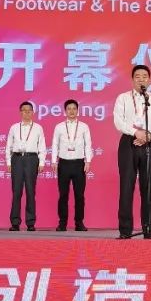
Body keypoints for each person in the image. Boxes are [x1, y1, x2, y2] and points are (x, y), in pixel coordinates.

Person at [113, 64, 151, 239]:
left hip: (150, 142)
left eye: (144, 76)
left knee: (148, 187)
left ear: (149, 79)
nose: (141, 79)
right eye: (138, 76)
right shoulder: (123, 98)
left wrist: (149, 135)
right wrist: (136, 133)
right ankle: (125, 230)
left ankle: (149, 228)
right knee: (126, 186)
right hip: (128, 142)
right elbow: (118, 121)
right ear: (132, 79)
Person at [52, 99, 93, 232]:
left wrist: (88, 161)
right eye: (69, 109)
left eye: (74, 108)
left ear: (77, 110)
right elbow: (55, 144)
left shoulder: (84, 126)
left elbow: (88, 144)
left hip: (79, 164)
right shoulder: (59, 127)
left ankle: (79, 223)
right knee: (63, 195)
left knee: (79, 195)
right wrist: (54, 161)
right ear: (65, 111)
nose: (71, 111)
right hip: (63, 163)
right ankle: (62, 223)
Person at [6, 101, 46, 231]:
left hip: (31, 159)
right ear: (20, 112)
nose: (27, 113)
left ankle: (30, 222)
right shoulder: (14, 127)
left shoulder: (38, 128)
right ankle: (15, 222)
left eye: (29, 110)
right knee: (16, 191)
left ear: (33, 113)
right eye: (24, 110)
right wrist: (8, 162)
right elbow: (8, 146)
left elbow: (42, 146)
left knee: (30, 191)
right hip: (17, 159)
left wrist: (41, 162)